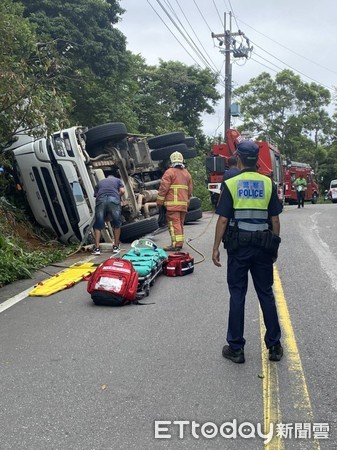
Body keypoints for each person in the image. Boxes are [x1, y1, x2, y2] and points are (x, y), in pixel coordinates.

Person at [212, 141, 283, 364]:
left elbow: (223, 219)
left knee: (237, 294)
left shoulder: (231, 184)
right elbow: (275, 220)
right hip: (262, 247)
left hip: (239, 248)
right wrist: (274, 247)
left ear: (239, 158)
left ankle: (236, 348)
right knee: (266, 293)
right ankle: (274, 345)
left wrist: (215, 248)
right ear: (256, 159)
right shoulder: (268, 184)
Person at [156, 151, 193, 251]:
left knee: (173, 224)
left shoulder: (169, 172)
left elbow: (163, 188)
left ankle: (176, 244)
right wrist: (187, 200)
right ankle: (179, 242)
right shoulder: (187, 173)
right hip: (183, 204)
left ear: (171, 161)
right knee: (180, 224)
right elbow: (190, 190)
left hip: (172, 204)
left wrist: (159, 202)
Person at [92, 175, 125, 255]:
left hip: (101, 199)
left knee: (98, 225)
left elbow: (96, 195)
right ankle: (116, 247)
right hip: (113, 199)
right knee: (116, 224)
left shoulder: (100, 182)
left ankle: (97, 248)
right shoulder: (117, 180)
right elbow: (122, 191)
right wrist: (117, 196)